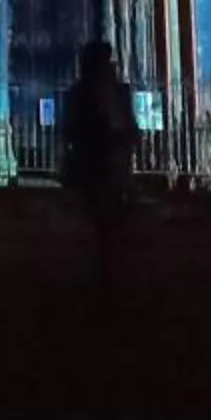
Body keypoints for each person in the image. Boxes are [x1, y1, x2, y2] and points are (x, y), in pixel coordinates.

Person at [60, 34, 138, 275]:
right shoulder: (80, 93)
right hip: (96, 159)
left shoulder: (118, 91)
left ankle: (109, 261)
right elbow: (71, 129)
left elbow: (129, 123)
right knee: (101, 214)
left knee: (110, 212)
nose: (110, 65)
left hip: (111, 159)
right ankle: (106, 262)